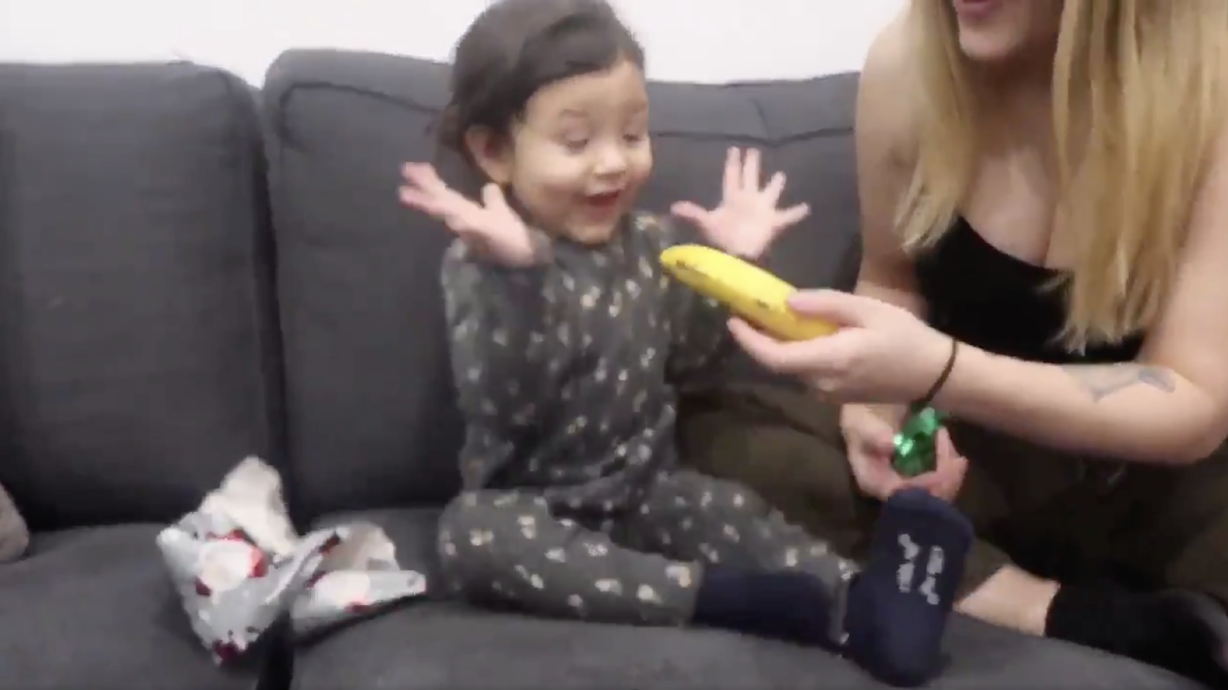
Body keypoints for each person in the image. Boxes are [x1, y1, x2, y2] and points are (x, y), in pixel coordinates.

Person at [396, 0, 975, 685]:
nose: (613, 162)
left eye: (633, 134)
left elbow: (695, 358)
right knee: (469, 534)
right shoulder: (480, 267)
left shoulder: (651, 245)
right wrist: (519, 279)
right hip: (534, 508)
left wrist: (734, 266)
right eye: (577, 142)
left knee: (733, 508)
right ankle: (712, 596)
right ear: (494, 151)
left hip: (650, 489)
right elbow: (508, 404)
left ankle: (859, 602)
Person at [682, 0, 1228, 686]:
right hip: (969, 460)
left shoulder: (1212, 93)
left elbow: (1192, 402)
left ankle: (951, 572)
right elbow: (891, 280)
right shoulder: (908, 66)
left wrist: (939, 369)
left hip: (1161, 485)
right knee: (714, 434)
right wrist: (873, 418)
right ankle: (1047, 608)